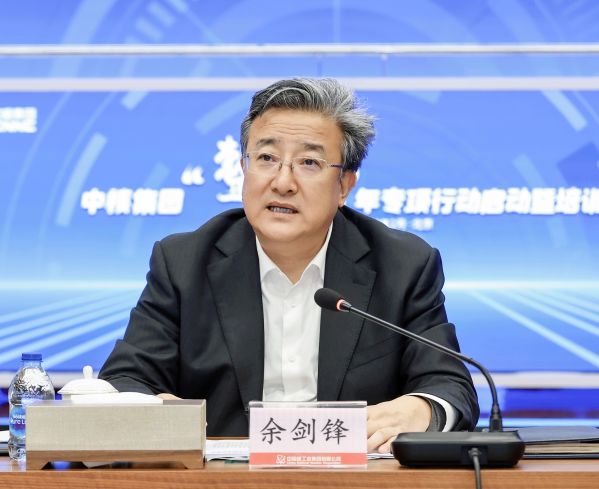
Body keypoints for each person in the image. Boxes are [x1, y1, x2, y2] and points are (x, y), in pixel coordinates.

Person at [99, 78, 479, 453]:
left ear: (344, 185)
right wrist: (156, 408)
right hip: (224, 479)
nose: (283, 182)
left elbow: (450, 387)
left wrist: (421, 409)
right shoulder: (184, 262)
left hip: (355, 479)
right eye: (266, 158)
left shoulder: (403, 265)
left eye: (309, 162)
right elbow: (124, 379)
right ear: (243, 167)